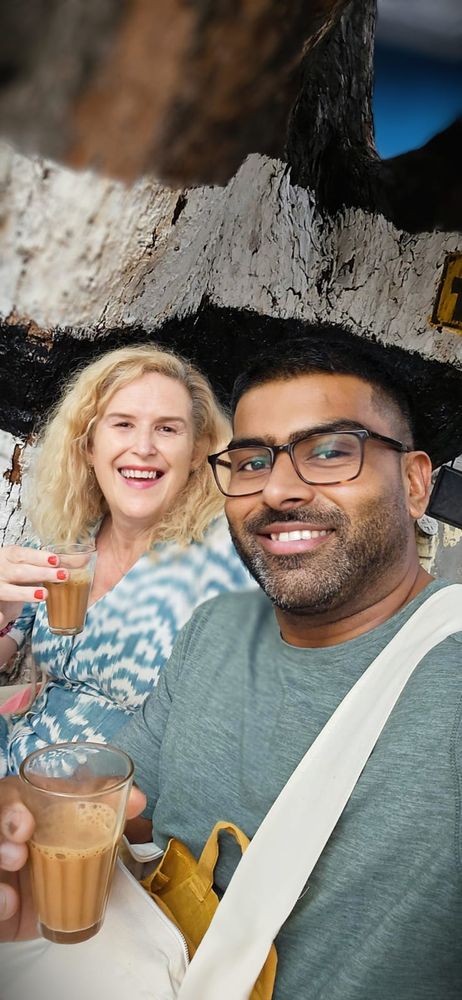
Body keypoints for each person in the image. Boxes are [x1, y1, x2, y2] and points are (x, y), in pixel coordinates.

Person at [1, 329, 461, 998]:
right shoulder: (215, 632)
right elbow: (125, 801)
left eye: (331, 452)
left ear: (415, 482)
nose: (278, 488)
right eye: (251, 461)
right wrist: (27, 813)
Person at [0, 343, 252, 776]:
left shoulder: (227, 558)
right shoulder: (71, 541)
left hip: (110, 801)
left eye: (167, 430)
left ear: (196, 452)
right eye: (123, 424)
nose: (143, 447)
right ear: (88, 445)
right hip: (17, 761)